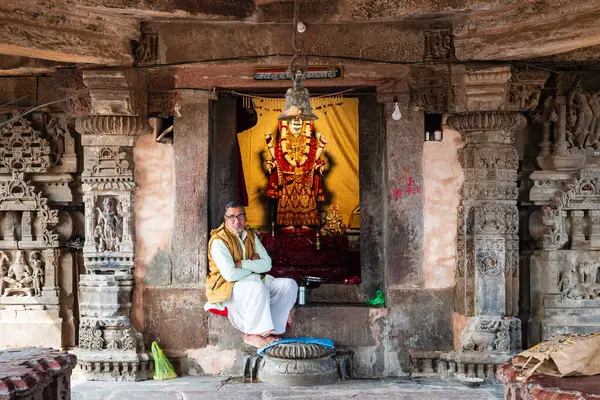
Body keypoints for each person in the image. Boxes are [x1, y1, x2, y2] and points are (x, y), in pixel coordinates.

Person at [206, 201, 298, 347]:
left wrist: (242, 263)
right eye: (232, 217)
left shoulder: (250, 235)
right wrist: (254, 265)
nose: (237, 221)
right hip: (228, 289)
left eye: (240, 216)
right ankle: (251, 334)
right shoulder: (219, 241)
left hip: (253, 281)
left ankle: (272, 329)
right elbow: (230, 275)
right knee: (258, 289)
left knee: (289, 285)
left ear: (245, 217)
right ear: (225, 219)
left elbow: (267, 264)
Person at [264, 116, 327, 227]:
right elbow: (278, 157)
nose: (296, 125)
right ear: (288, 125)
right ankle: (288, 224)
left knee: (305, 201)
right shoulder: (284, 140)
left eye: (299, 123)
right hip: (287, 177)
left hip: (305, 176)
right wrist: (269, 143)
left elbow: (313, 158)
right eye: (293, 123)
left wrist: (321, 144)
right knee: (287, 201)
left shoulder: (309, 140)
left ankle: (305, 223)